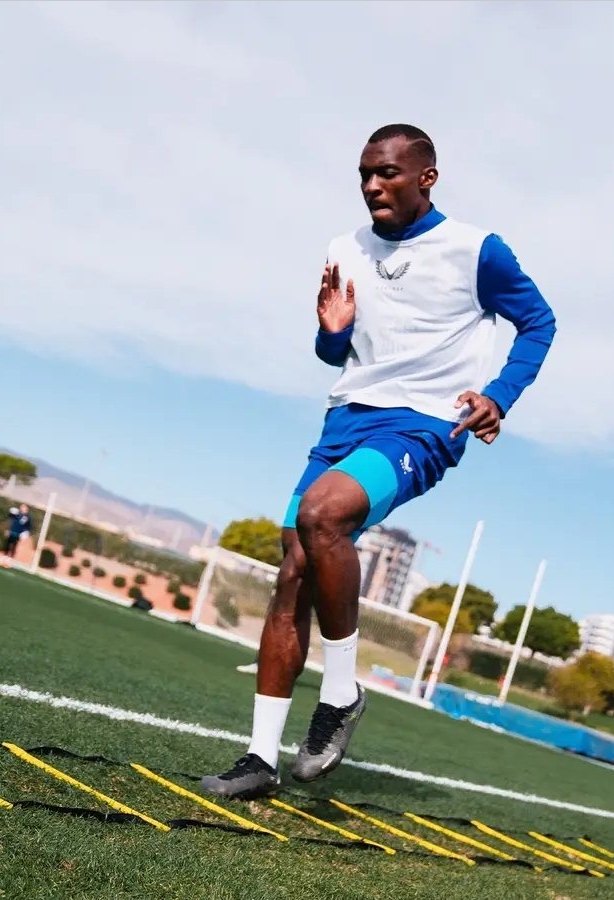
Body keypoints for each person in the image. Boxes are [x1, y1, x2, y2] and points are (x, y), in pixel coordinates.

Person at [202, 124, 556, 800]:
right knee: (293, 568)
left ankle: (341, 692)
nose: (372, 185)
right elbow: (333, 354)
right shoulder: (345, 248)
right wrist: (330, 332)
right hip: (346, 420)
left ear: (427, 176)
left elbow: (539, 322)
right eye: (365, 174)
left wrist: (499, 397)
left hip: (424, 424)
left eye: (388, 173)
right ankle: (260, 759)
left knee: (322, 515)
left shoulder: (477, 250)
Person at [0, 503, 32, 568]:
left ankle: (9, 561)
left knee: (13, 547)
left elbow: (28, 527)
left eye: (23, 507)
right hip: (11, 532)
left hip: (18, 534)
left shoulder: (27, 517)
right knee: (7, 545)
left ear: (26, 508)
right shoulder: (17, 513)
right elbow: (10, 519)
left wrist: (25, 533)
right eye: (21, 506)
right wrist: (8, 529)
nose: (22, 508)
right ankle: (3, 559)